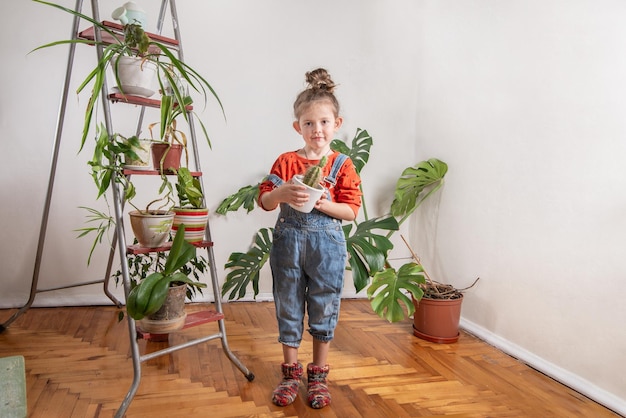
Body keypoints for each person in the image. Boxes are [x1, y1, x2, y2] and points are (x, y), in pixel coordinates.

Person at [258, 68, 362, 409]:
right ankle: (290, 374)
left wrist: (324, 202)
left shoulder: (342, 164)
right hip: (288, 245)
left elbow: (352, 211)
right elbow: (264, 200)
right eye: (308, 123)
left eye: (323, 122)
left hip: (327, 247)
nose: (316, 130)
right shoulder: (286, 162)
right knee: (288, 305)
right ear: (297, 126)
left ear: (337, 123)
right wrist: (282, 193)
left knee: (324, 305)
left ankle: (318, 376)